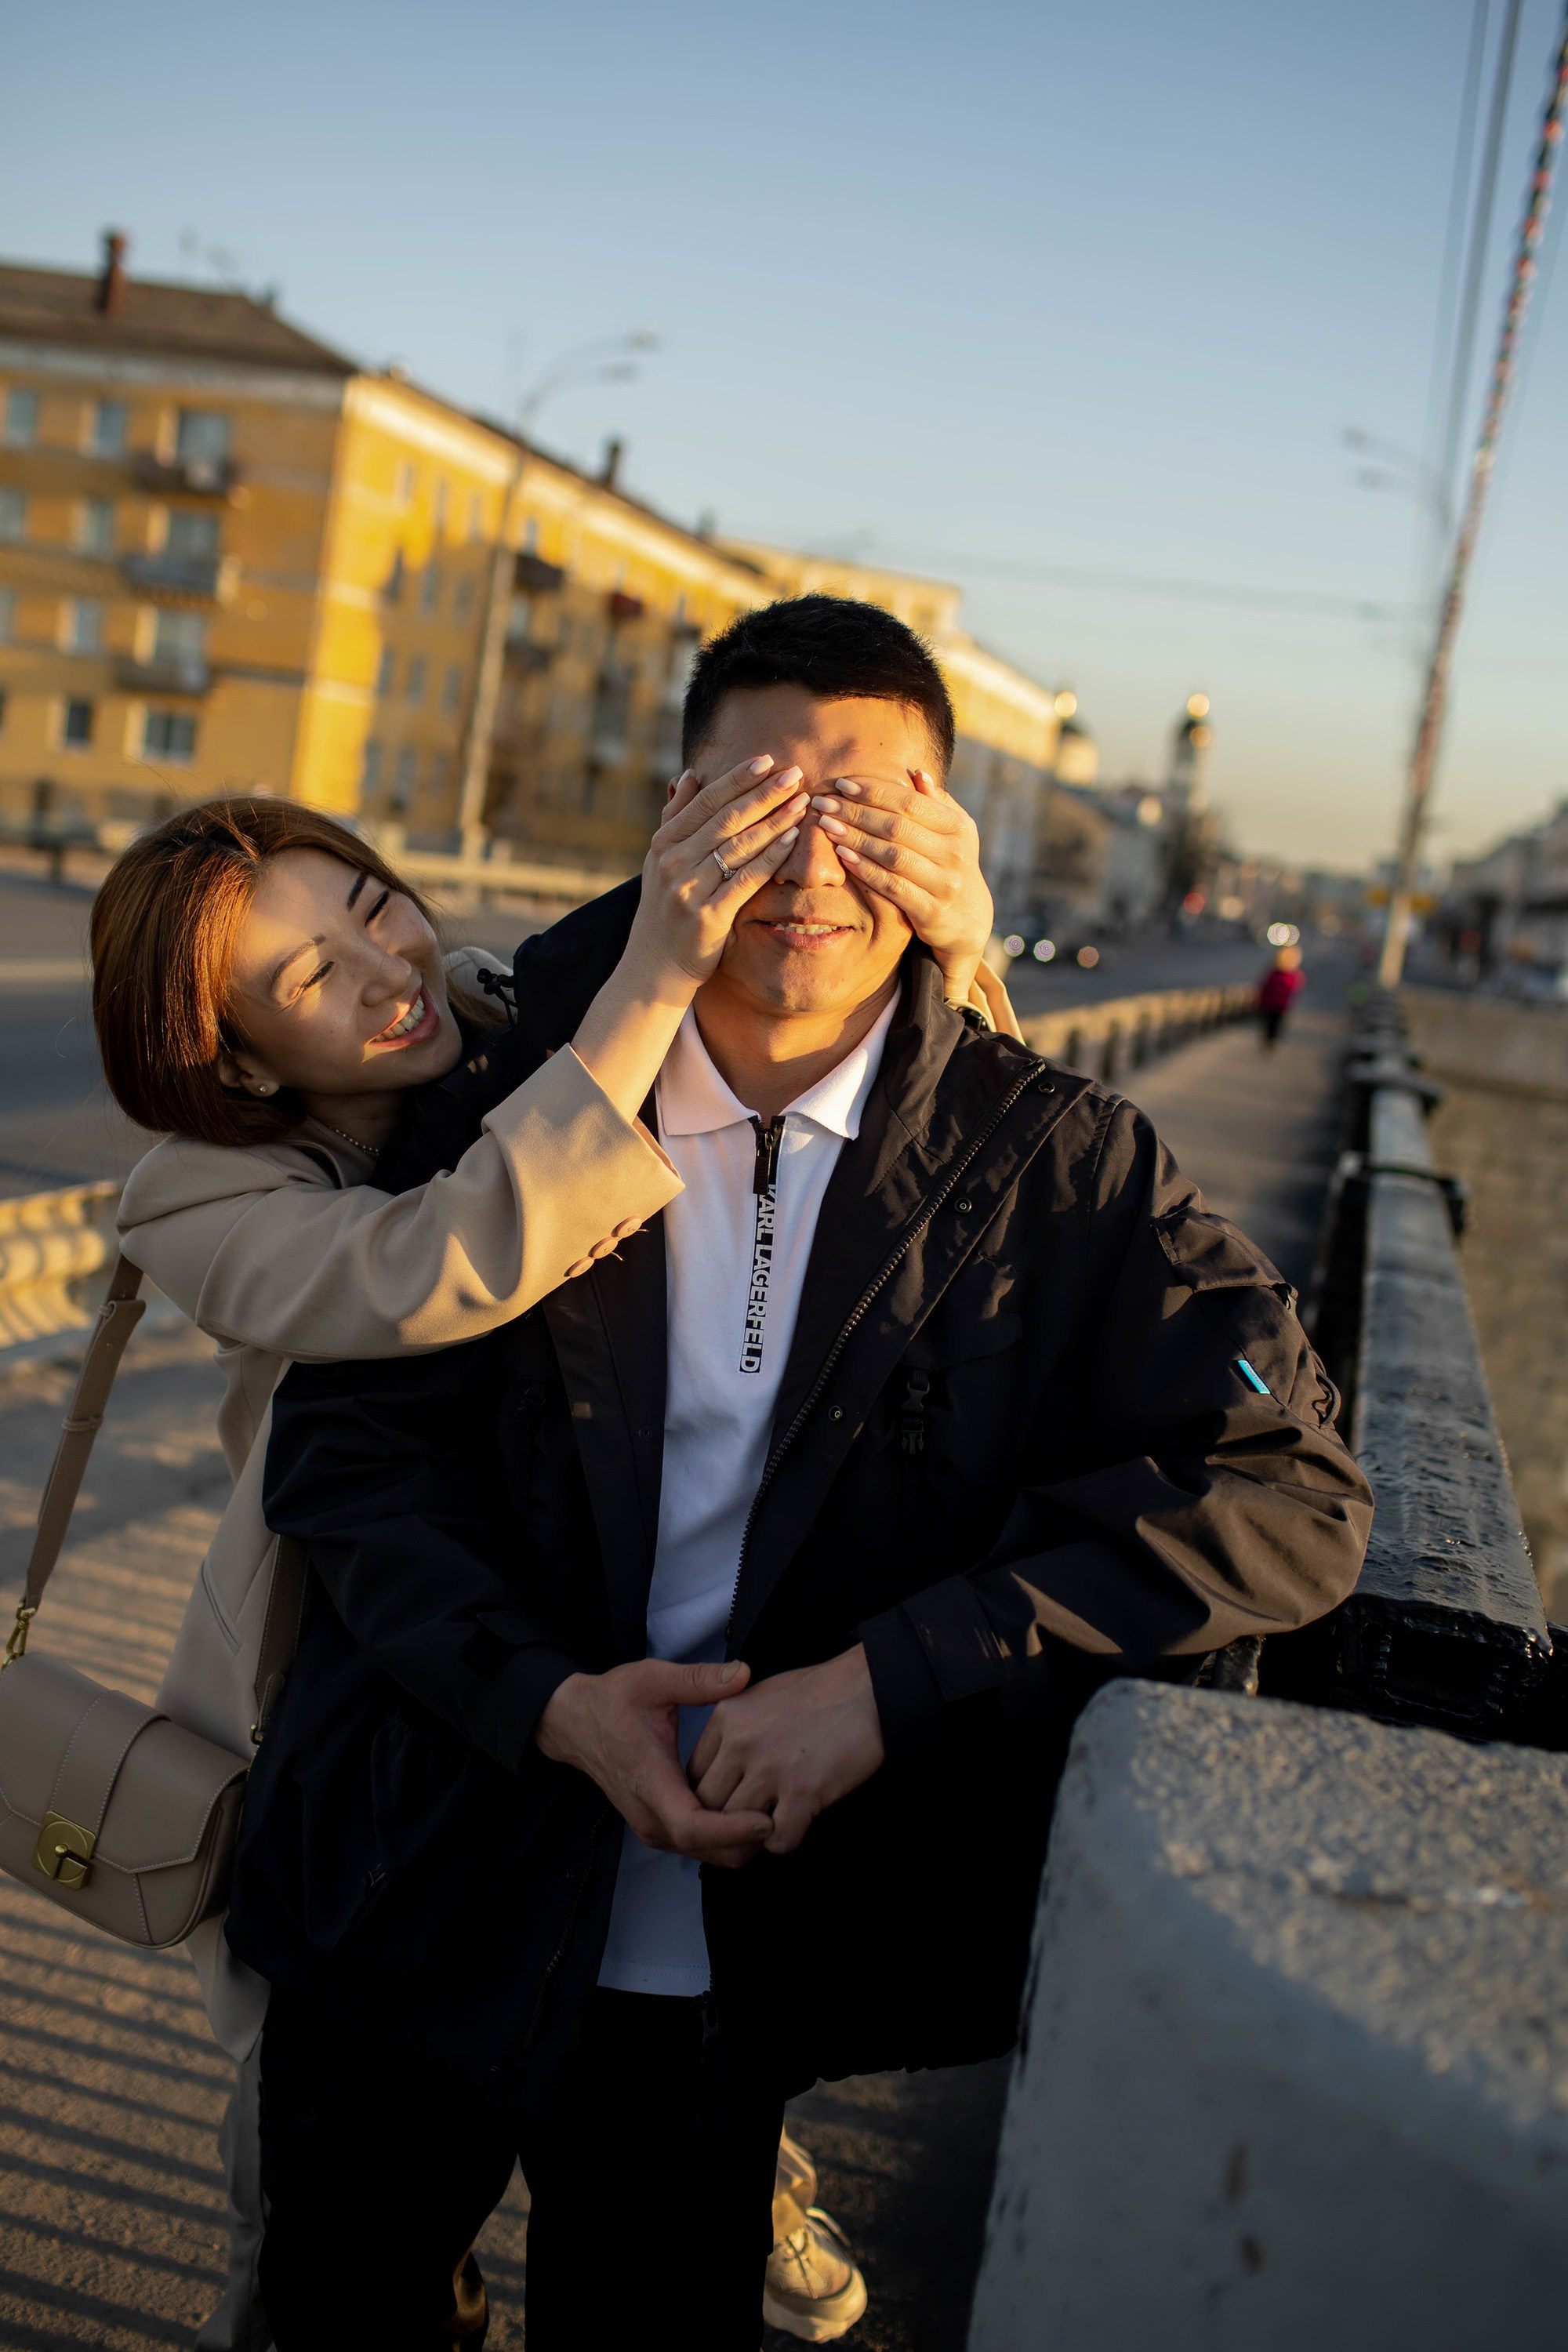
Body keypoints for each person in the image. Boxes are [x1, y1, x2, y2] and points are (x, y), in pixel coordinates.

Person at [244, 595, 1374, 2351]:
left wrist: (887, 1682)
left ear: (944, 844)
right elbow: (347, 1460)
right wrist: (552, 1703)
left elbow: (1287, 1482)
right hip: (421, 1871)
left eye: (864, 812)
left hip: (732, 1958)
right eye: (757, 806)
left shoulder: (1056, 1168)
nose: (807, 866)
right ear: (675, 819)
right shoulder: (504, 1095)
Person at [94, 775, 1007, 2347]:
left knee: (649, 2044)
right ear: (235, 1056)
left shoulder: (512, 1016)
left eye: (373, 908)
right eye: (310, 977)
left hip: (628, 1642)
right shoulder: (201, 1191)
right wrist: (653, 976)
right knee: (332, 2215)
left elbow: (887, 1135)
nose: (385, 971)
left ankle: (741, 2164)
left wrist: (960, 942)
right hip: (382, 1699)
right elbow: (430, 1263)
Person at [1257, 943, 1305, 1047]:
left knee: (1275, 1023)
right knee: (1272, 1023)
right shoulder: (1281, 974)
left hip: (1278, 1005)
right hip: (1274, 1004)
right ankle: (1271, 1040)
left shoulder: (1288, 975)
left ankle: (1272, 1040)